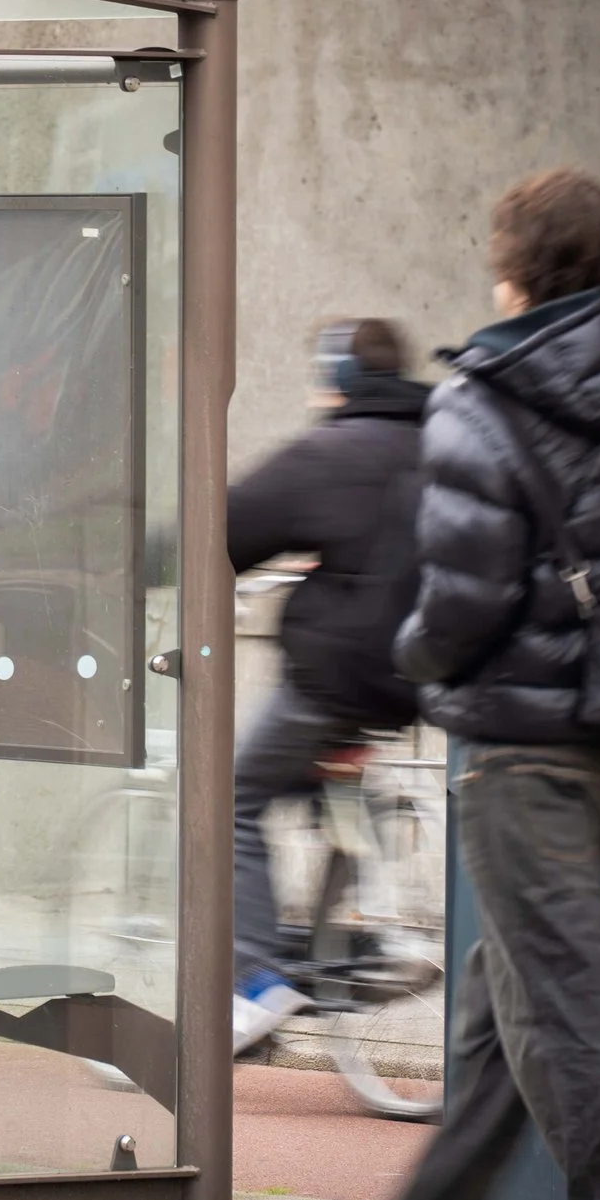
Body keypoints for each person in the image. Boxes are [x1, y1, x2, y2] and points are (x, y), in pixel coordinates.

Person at [321, 168, 600, 1200]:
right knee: (513, 991)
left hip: (515, 744)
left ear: (512, 270)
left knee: (561, 1003)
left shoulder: (480, 401)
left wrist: (406, 663)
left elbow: (458, 598)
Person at [225, 318, 430, 1053]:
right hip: (408, 682)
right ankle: (337, 939)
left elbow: (227, 527)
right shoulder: (439, 443)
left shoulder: (329, 453)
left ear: (339, 380)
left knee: (231, 796)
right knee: (314, 788)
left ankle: (254, 981)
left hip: (332, 680)